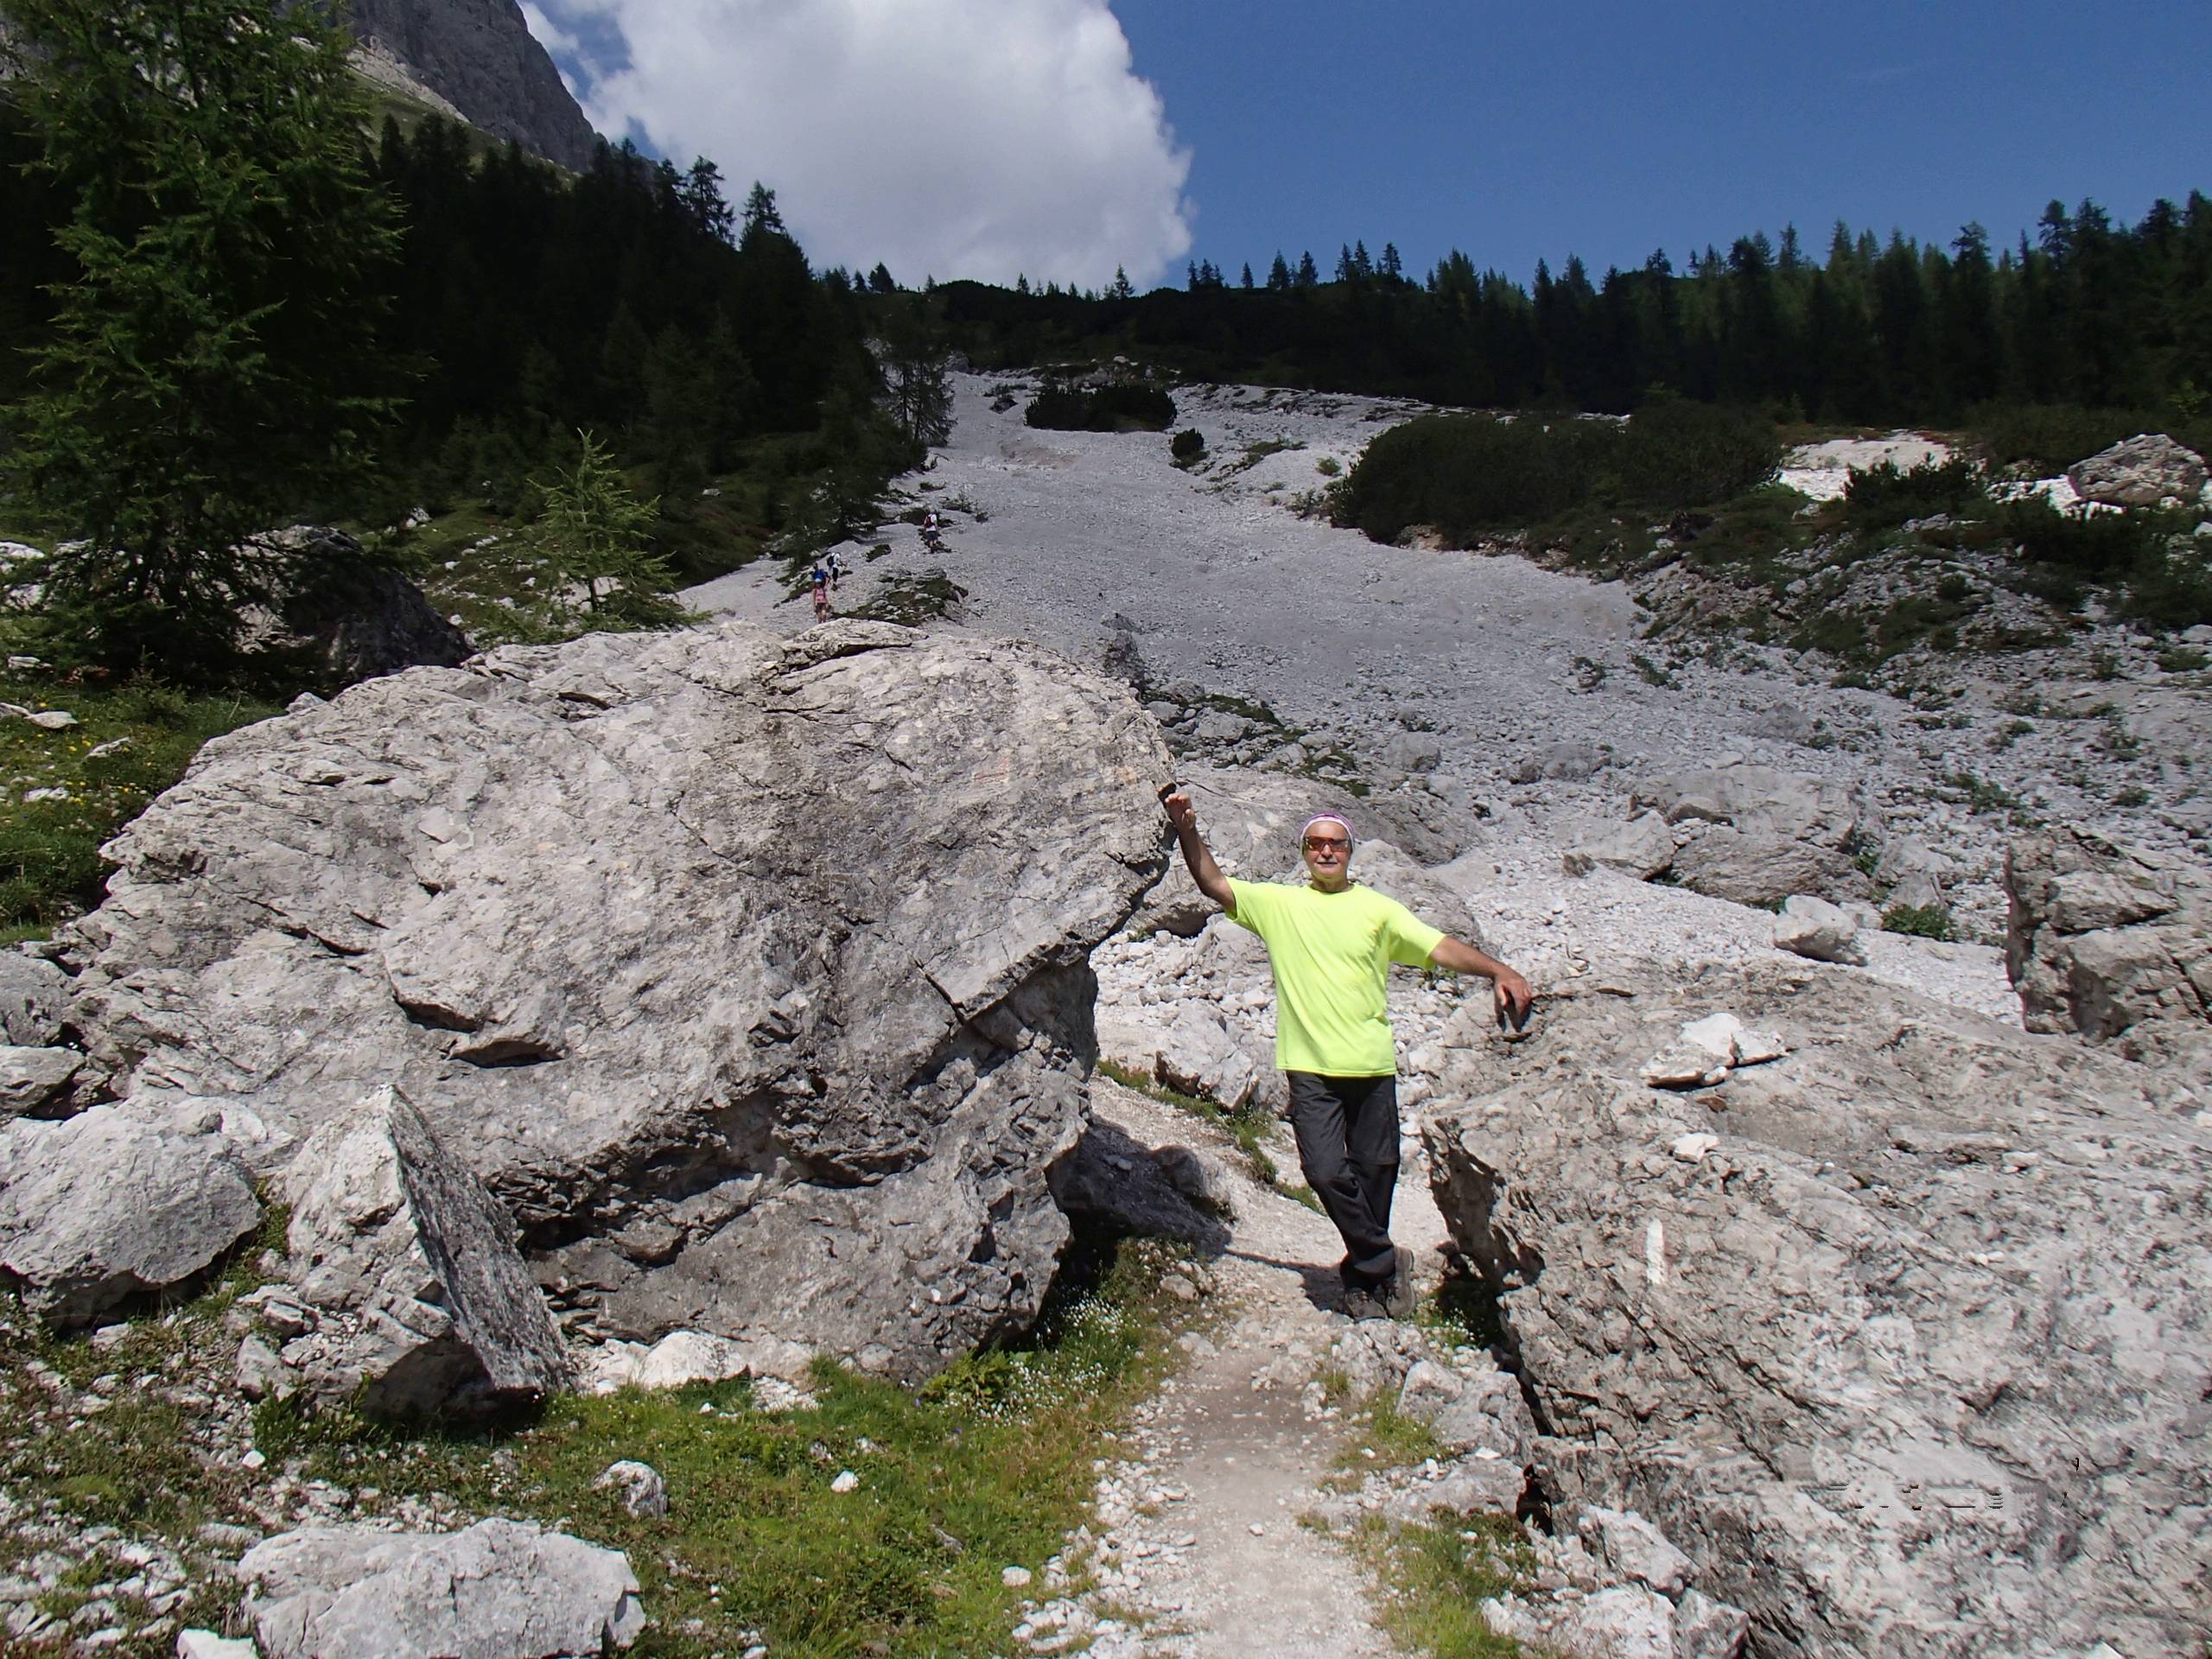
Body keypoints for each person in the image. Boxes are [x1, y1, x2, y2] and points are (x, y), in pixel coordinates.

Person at [1161, 790, 1533, 1320]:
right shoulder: (1280, 904)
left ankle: (1364, 1282)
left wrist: (1498, 970)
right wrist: (1187, 829)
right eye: (1316, 844)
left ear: (1350, 851)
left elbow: (1437, 947)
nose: (1326, 852)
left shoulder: (1378, 910)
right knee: (1325, 1170)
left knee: (1378, 1171)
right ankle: (1385, 1261)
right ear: (1304, 851)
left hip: (1372, 1065)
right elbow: (1214, 884)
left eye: (1336, 843)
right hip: (1310, 1067)